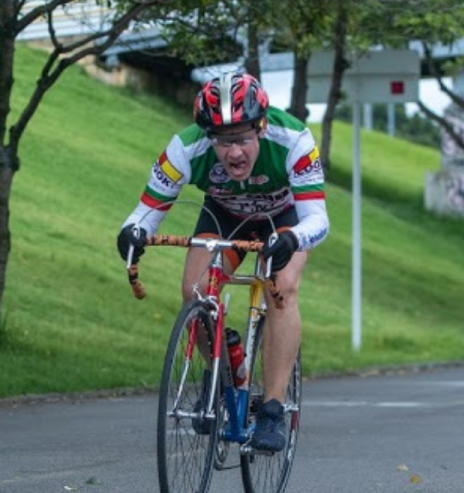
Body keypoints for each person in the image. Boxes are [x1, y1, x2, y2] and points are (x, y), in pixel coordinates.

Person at [116, 72, 329, 452]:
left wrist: (294, 238)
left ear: (262, 129)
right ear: (208, 137)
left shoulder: (294, 140)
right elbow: (147, 210)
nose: (234, 153)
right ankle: (226, 380)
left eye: (244, 139)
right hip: (224, 215)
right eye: (224, 141)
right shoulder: (185, 147)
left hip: (284, 220)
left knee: (281, 289)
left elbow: (318, 219)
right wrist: (131, 232)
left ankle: (272, 411)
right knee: (194, 291)